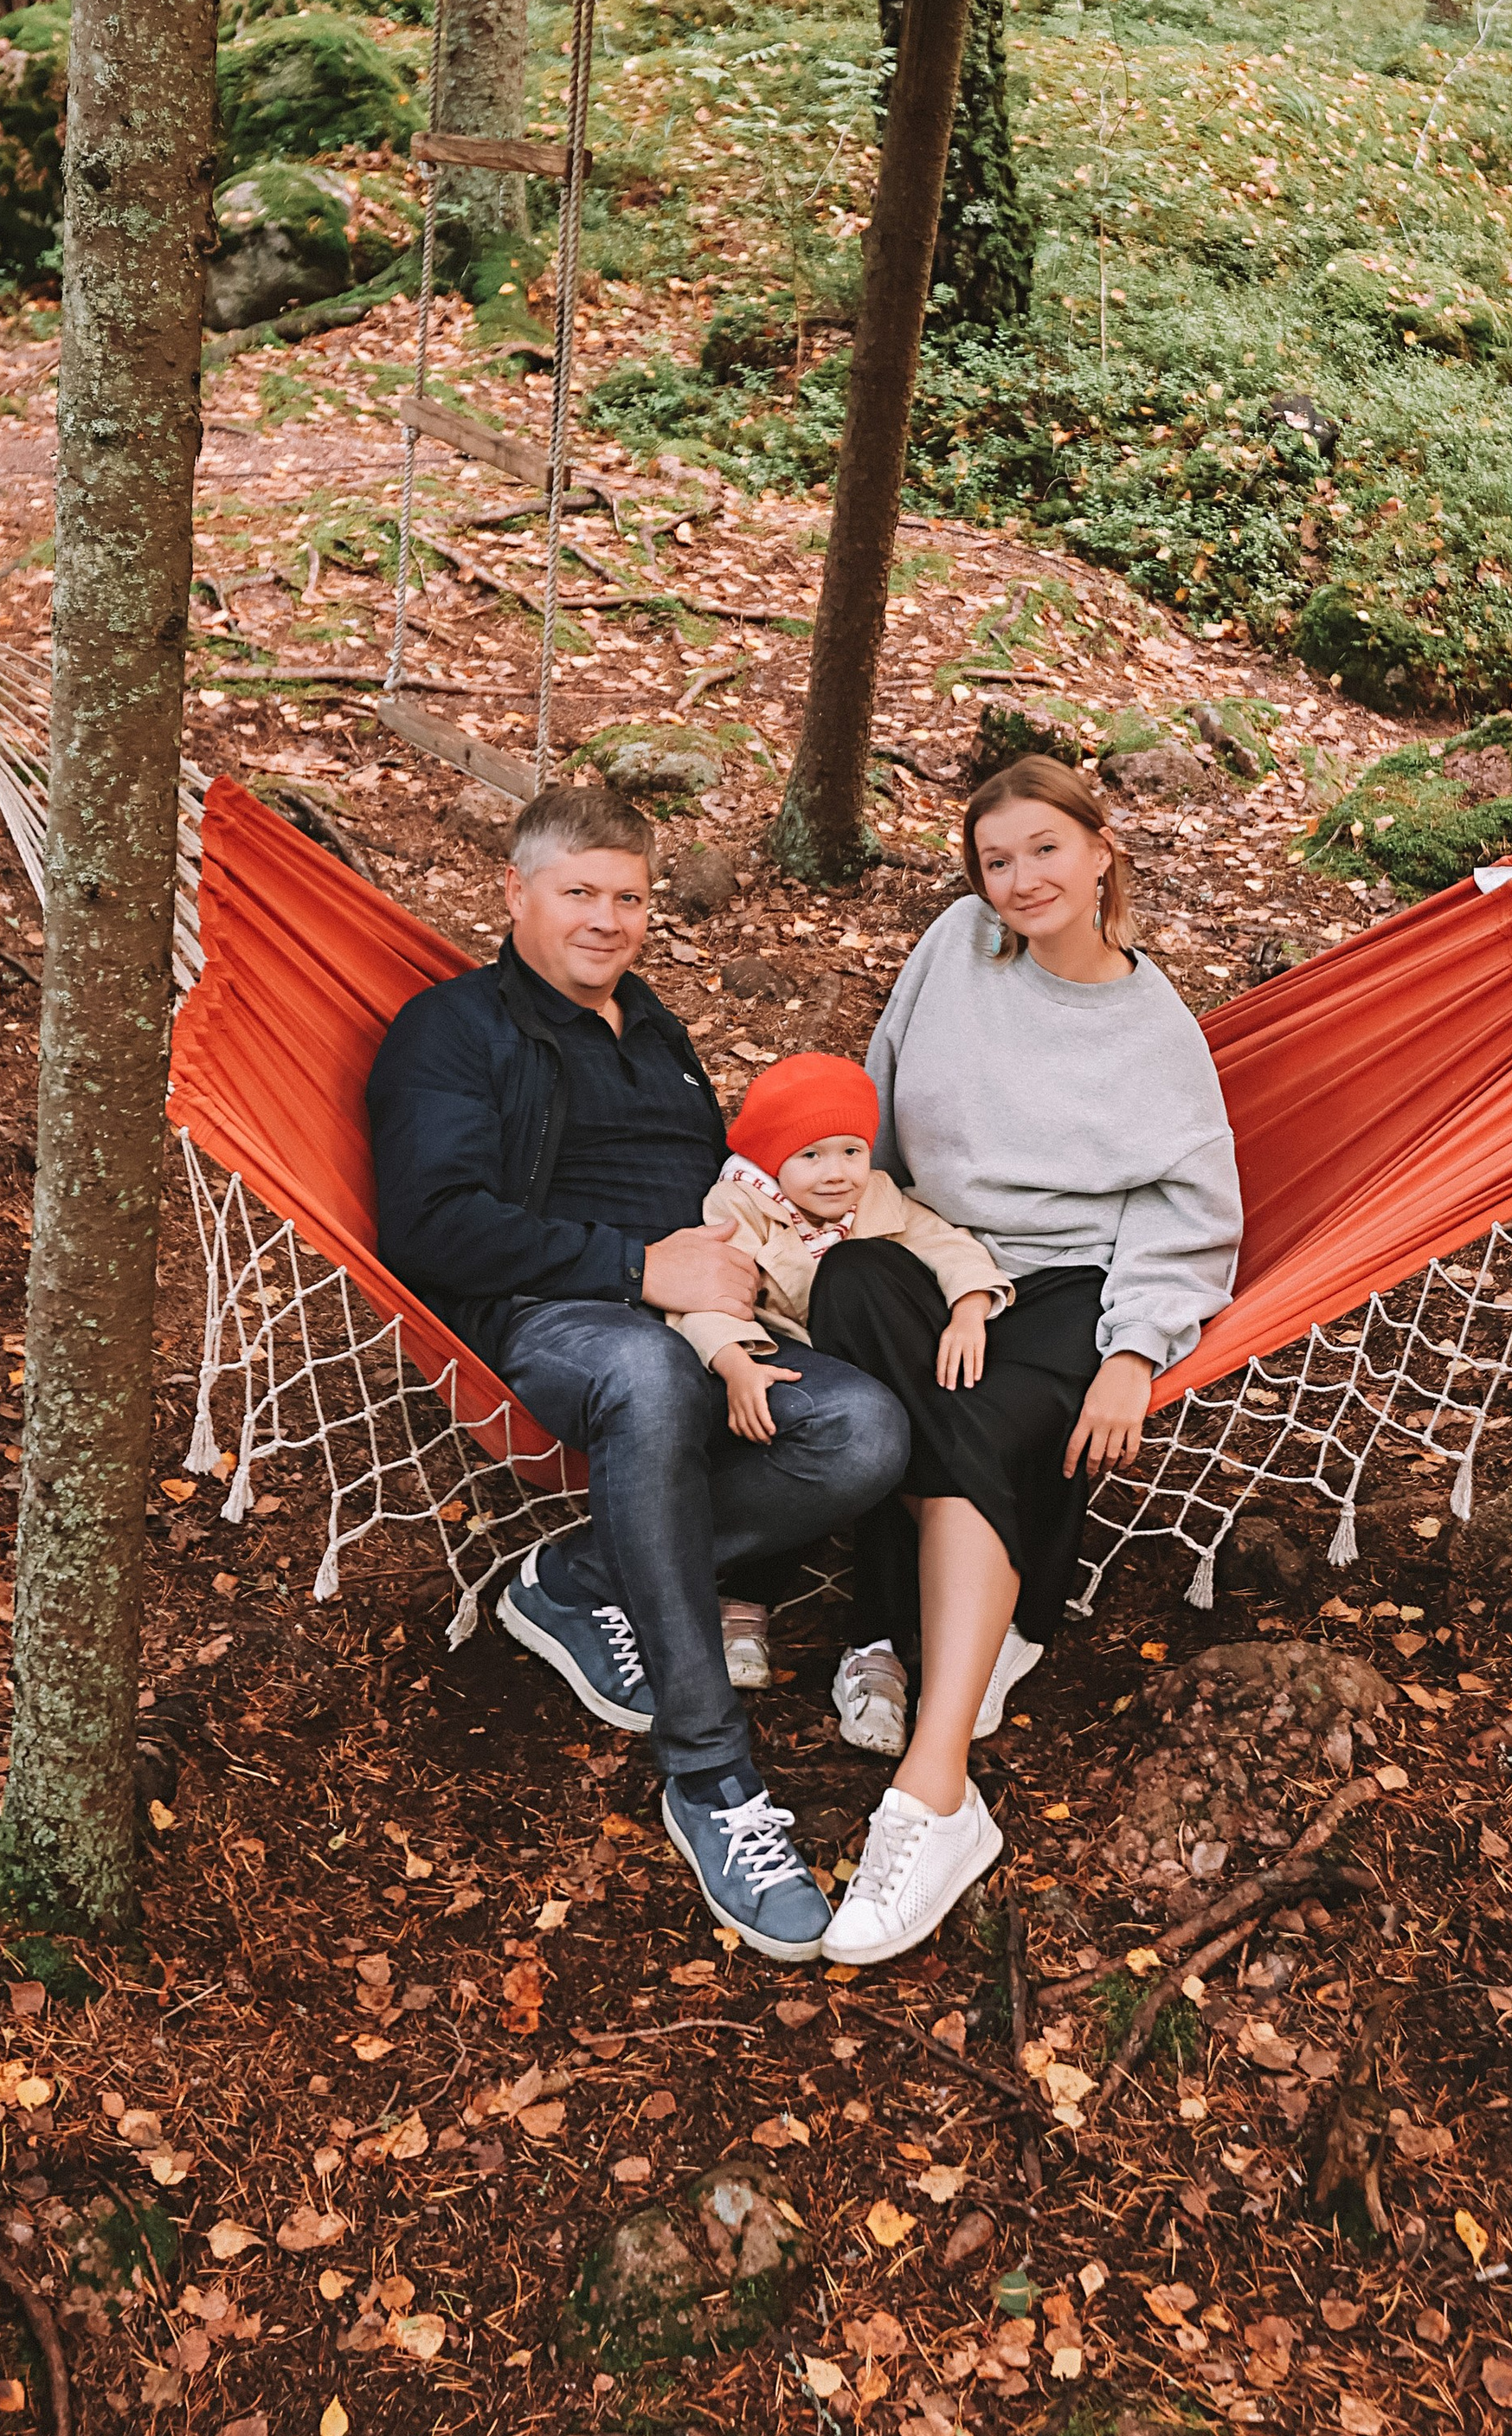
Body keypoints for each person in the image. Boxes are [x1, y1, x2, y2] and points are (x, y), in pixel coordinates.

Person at [364, 784, 909, 1964]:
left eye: (630, 897)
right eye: (581, 893)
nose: (608, 920)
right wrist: (636, 1267)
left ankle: (583, 1575)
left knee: (865, 1429)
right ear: (515, 893)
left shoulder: (654, 1030)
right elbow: (427, 1224)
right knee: (651, 1378)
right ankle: (710, 1779)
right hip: (555, 1319)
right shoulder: (451, 1029)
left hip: (705, 1318)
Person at [808, 754, 1244, 1967]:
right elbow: (881, 1102)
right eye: (996, 860)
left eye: (1046, 848)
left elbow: (1189, 1210)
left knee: (978, 1426)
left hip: (1070, 1285)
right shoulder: (954, 947)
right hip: (934, 1249)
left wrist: (1134, 1353)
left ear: (1101, 850)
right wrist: (829, 1217)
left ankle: (934, 1787)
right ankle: (1001, 1615)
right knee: (848, 1287)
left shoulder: (1154, 1032)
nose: (1020, 879)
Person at [667, 1054, 1011, 1682]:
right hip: (778, 1351)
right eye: (811, 1155)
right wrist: (736, 1363)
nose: (836, 1173)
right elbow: (709, 1296)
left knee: (896, 1433)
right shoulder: (741, 1205)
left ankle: (886, 1627)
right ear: (775, 1159)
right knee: (784, 1434)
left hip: (866, 1356)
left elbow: (947, 1245)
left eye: (852, 1151)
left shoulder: (876, 1196)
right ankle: (745, 1593)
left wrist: (969, 1309)